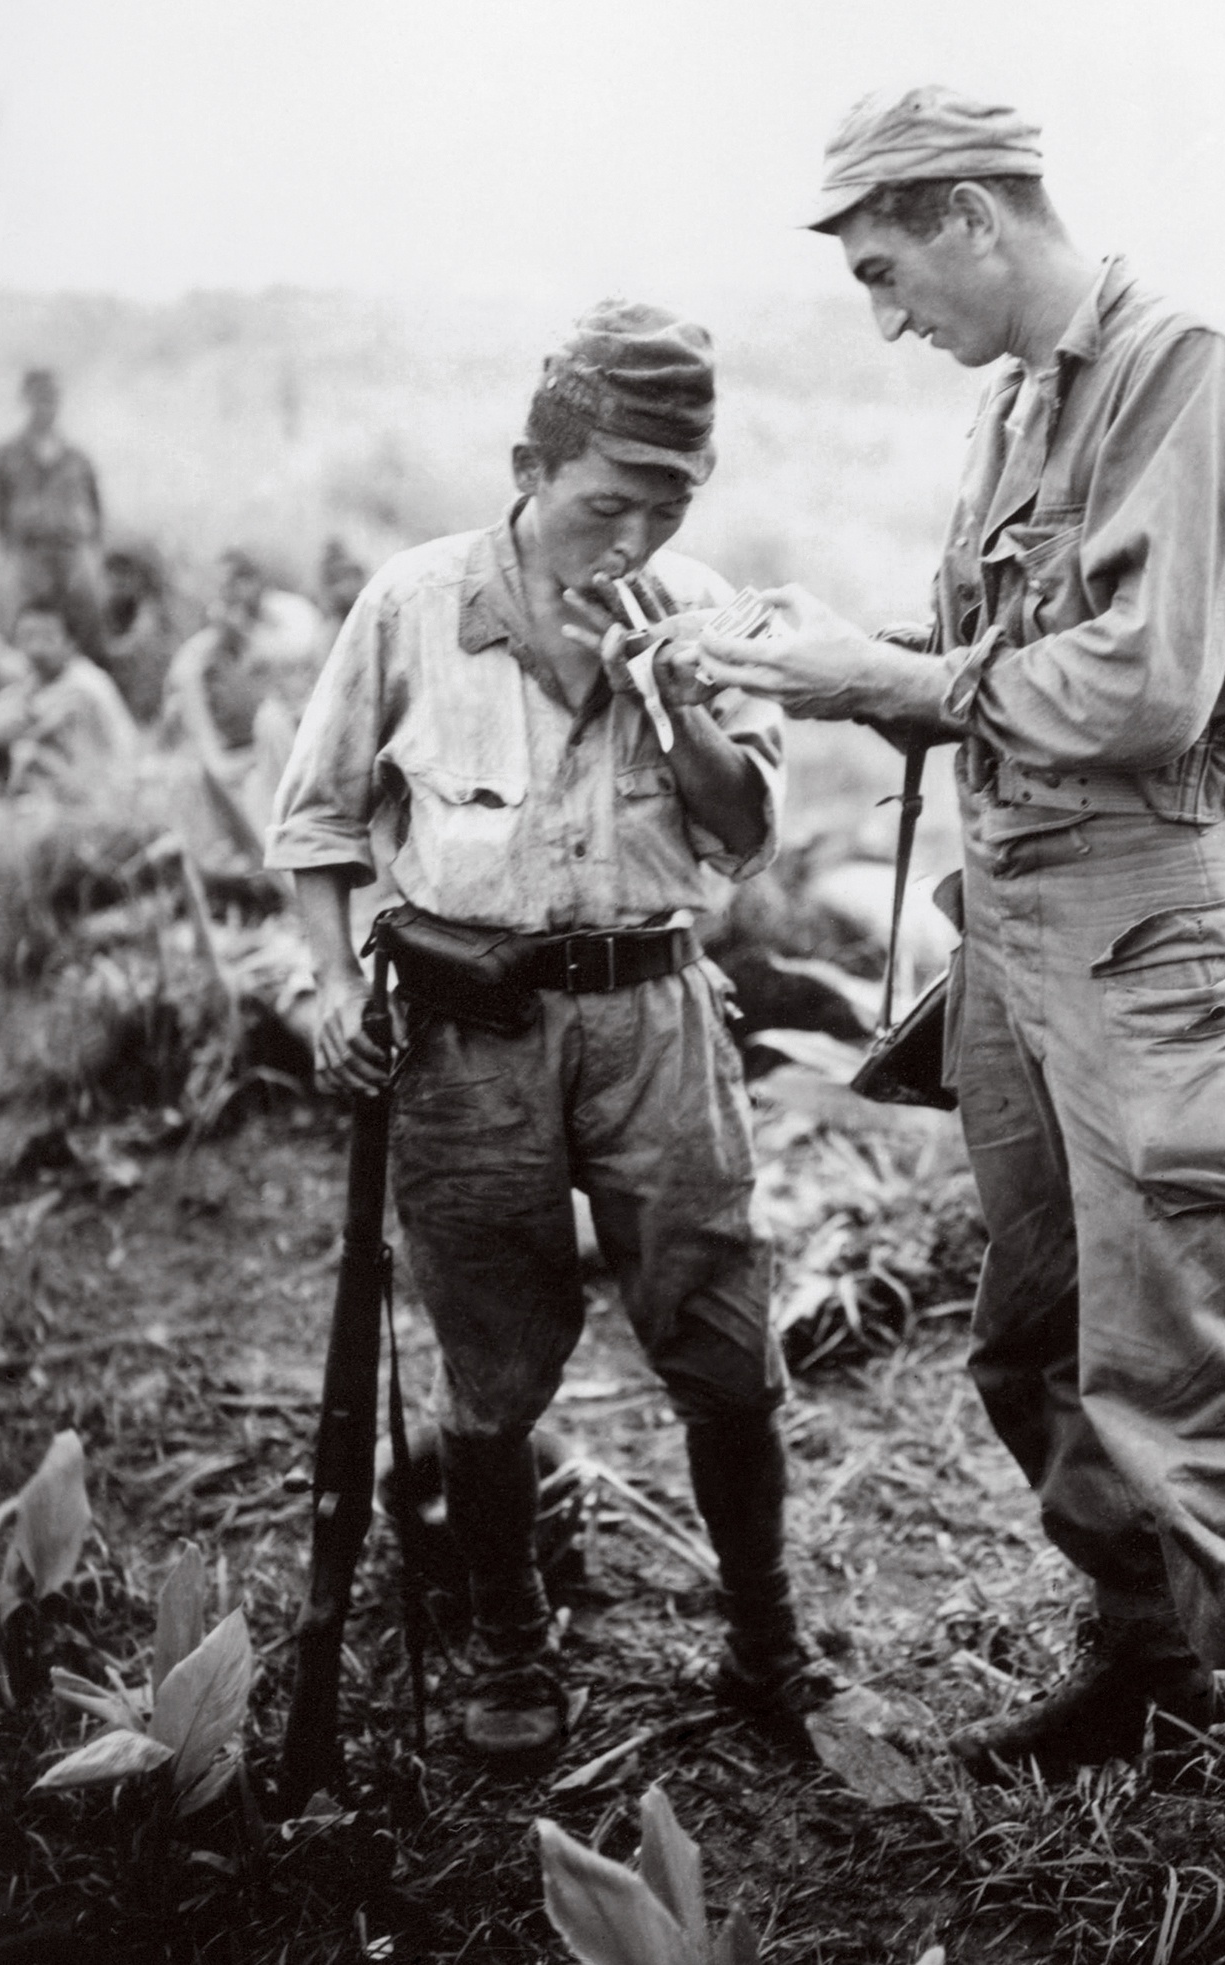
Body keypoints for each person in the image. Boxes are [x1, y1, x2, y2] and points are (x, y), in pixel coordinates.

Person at [699, 87, 1225, 1965]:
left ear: (976, 212)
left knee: (1193, 1371)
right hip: (1018, 926)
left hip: (1150, 929)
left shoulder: (1185, 373)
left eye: (886, 264)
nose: (884, 309)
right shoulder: (1023, 401)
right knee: (1032, 1347)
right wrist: (835, 669)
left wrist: (895, 676)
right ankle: (1151, 1663)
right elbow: (1000, 678)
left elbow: (1147, 688)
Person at [267, 300, 833, 1761]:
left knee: (719, 1338)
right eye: (604, 504)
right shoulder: (412, 604)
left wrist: (673, 701)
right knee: (489, 1363)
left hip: (655, 1018)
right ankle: (510, 1643)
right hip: (468, 1039)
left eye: (670, 505)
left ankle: (768, 1641)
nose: (634, 539)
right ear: (529, 464)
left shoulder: (695, 609)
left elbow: (744, 836)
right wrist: (337, 989)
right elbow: (317, 824)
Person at [164, 550, 328, 852]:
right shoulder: (199, 661)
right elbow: (218, 764)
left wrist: (247, 637)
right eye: (223, 589)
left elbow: (300, 669)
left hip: (289, 754)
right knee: (253, 788)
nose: (233, 594)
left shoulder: (286, 623)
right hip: (244, 768)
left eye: (240, 582)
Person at [0, 369, 105, 664]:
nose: (47, 406)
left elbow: (95, 508)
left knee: (85, 618)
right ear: (26, 400)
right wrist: (11, 550)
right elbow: (0, 510)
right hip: (29, 552)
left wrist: (90, 548)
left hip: (70, 551)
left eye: (52, 398)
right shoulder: (8, 455)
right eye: (40, 398)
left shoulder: (76, 457)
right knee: (23, 622)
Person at [0, 601, 136, 795]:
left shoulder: (86, 683)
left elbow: (124, 751)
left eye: (47, 638)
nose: (36, 648)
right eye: (27, 637)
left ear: (70, 642)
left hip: (104, 787)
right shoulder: (30, 684)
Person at [101, 543, 179, 723]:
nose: (117, 580)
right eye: (111, 573)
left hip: (153, 700)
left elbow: (136, 642)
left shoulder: (151, 609)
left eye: (124, 573)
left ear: (143, 577)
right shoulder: (112, 609)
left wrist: (99, 647)